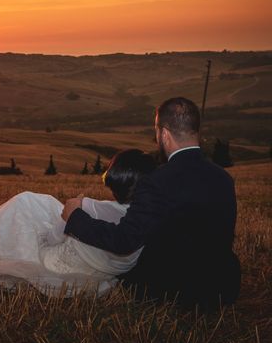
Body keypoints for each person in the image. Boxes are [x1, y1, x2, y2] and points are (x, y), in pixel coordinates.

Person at [62, 97, 241, 311]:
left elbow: (124, 240)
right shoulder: (223, 178)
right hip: (221, 288)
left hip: (171, 291)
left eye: (157, 132)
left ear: (164, 134)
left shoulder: (156, 181)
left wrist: (75, 217)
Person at [0, 149, 156, 296]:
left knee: (25, 203)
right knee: (40, 205)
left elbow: (54, 237)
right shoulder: (146, 219)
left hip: (56, 264)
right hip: (97, 275)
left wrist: (66, 216)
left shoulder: (91, 206)